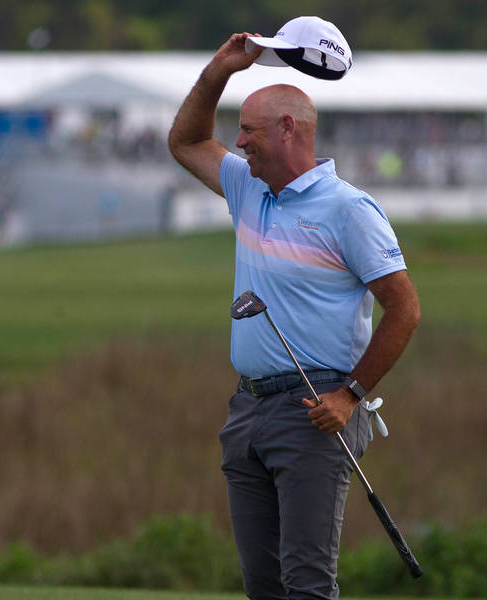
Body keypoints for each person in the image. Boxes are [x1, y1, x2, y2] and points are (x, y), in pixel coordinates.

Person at [167, 32, 421, 600]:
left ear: (287, 129)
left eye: (249, 131)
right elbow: (185, 141)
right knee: (263, 586)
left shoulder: (349, 210)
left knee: (306, 584)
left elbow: (404, 310)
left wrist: (351, 395)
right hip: (248, 408)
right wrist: (219, 72)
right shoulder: (247, 187)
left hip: (316, 410)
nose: (239, 142)